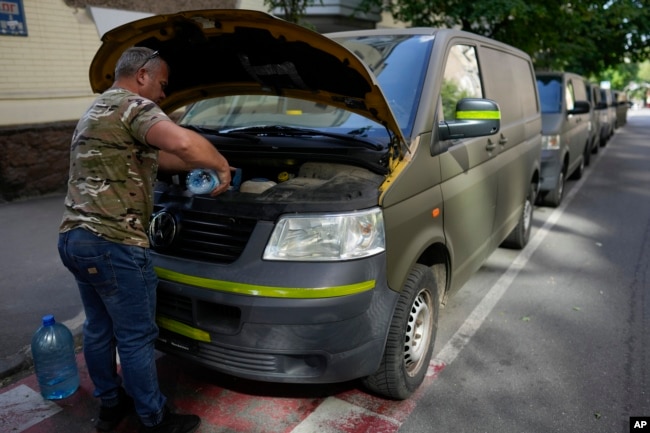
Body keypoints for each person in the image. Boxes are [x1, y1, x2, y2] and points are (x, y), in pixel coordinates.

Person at [57, 47, 230, 433]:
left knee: (100, 329)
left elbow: (165, 159)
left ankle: (111, 405)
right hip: (114, 242)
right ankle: (155, 419)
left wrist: (206, 163)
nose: (164, 95)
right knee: (136, 338)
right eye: (162, 84)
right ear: (142, 76)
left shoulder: (99, 109)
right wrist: (218, 164)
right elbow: (182, 143)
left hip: (76, 239)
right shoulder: (134, 106)